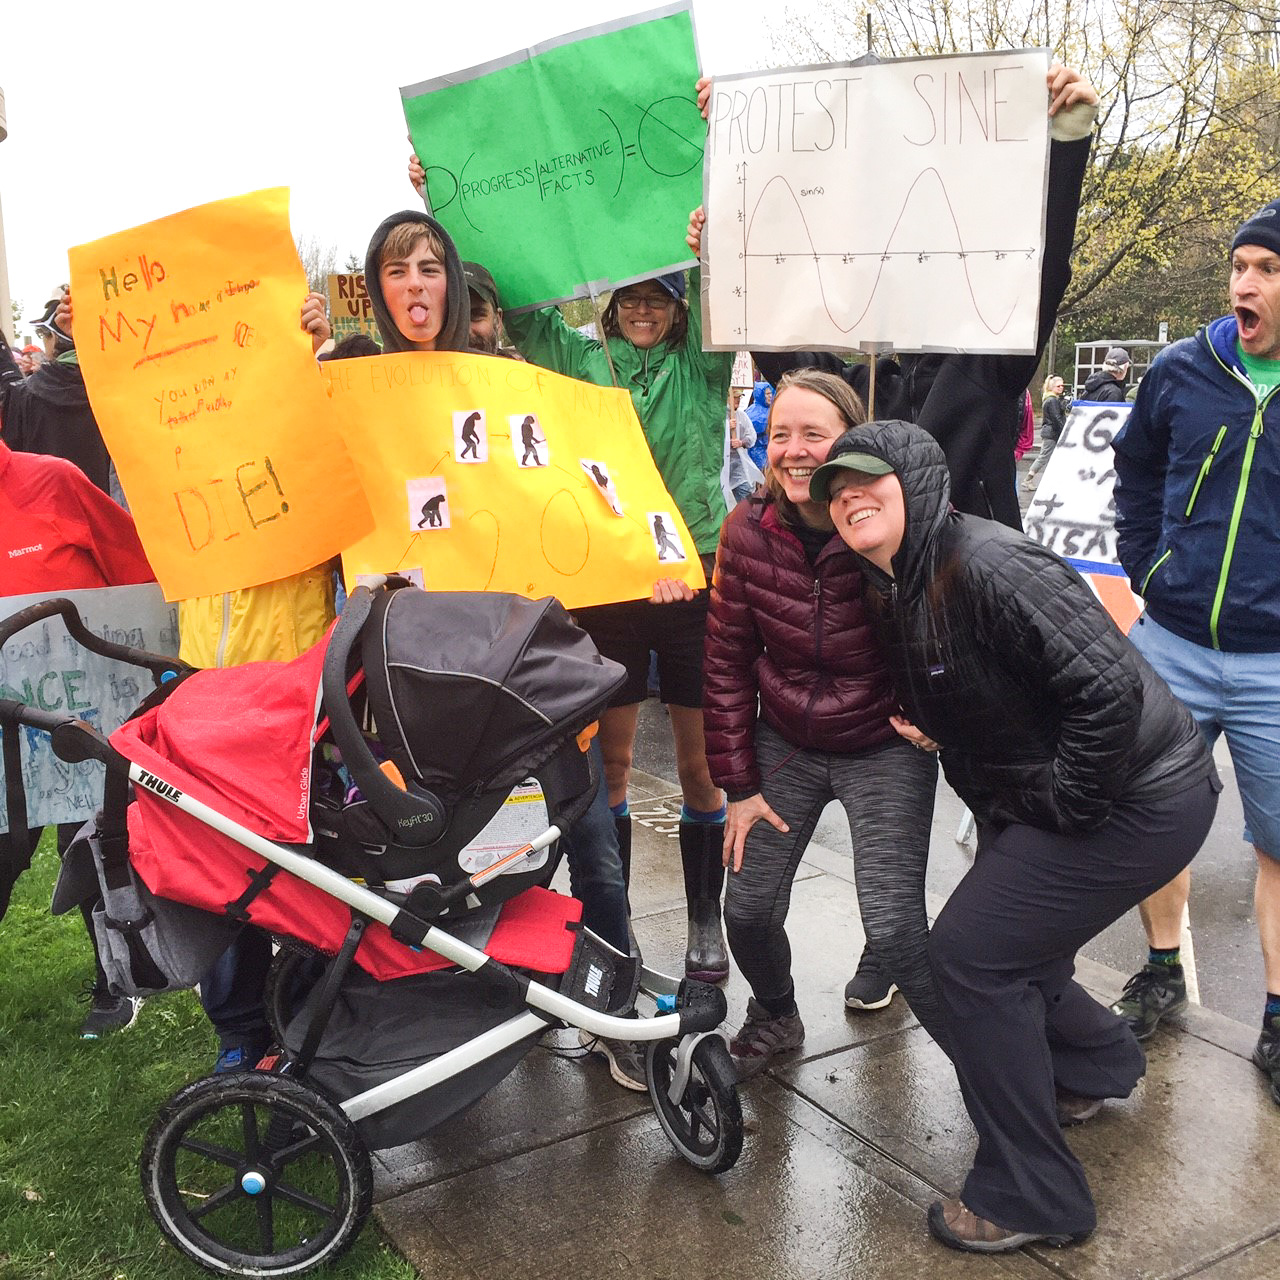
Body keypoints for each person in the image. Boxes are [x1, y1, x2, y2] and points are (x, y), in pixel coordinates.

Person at [809, 419, 1219, 1252]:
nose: (848, 496)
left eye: (866, 479)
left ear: (917, 480)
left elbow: (1105, 693)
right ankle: (1098, 1067)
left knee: (968, 955)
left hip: (1138, 795)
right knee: (1013, 955)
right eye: (834, 490)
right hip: (1058, 796)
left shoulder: (988, 561)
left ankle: (1032, 1194)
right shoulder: (895, 578)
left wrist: (1063, 806)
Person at [696, 64, 1099, 532]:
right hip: (878, 592)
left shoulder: (984, 370)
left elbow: (1041, 273)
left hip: (965, 591)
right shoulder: (866, 385)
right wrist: (729, 259)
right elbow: (787, 355)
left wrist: (1068, 143)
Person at [703, 370, 943, 1078]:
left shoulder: (888, 522)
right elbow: (724, 662)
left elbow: (951, 635)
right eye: (781, 434)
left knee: (897, 928)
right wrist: (738, 785)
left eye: (816, 434)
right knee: (744, 908)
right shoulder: (746, 531)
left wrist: (939, 722)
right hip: (787, 741)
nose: (795, 451)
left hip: (882, 745)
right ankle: (775, 1013)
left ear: (853, 444)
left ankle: (992, 1072)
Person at [1110, 198, 1280, 1108]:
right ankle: (1162, 969)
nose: (1244, 284)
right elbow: (1133, 470)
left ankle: (1278, 1018)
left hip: (1275, 668)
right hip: (1169, 642)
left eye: (1268, 270)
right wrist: (1148, 561)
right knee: (1152, 818)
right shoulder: (1182, 370)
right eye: (1240, 265)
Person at [0, 436, 155, 1036]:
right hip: (4, 729)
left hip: (81, 718)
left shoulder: (56, 482)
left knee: (91, 845)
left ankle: (116, 979)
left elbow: (137, 577)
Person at [1026, 373, 1068, 484]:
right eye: (1058, 386)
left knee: (1052, 457)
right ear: (1052, 387)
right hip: (1051, 433)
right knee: (1043, 457)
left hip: (1050, 432)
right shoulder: (1052, 400)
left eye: (1062, 385)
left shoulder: (1050, 399)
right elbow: (1056, 418)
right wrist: (1065, 430)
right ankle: (1028, 479)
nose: (1061, 387)